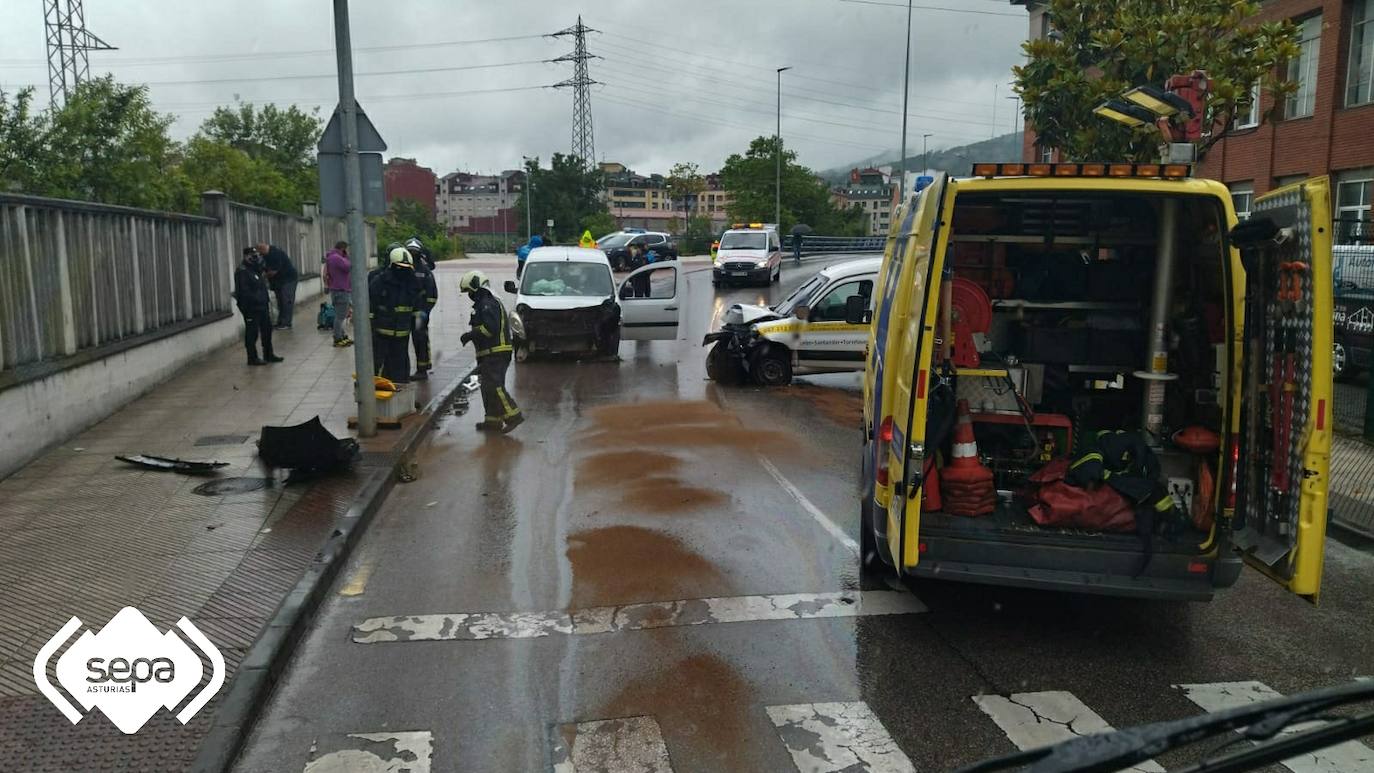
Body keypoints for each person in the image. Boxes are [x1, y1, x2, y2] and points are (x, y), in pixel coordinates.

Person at [458, 270, 523, 433]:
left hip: (496, 352)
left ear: (477, 288)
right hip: (490, 353)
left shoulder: (487, 303)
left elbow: (490, 329)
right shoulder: (487, 302)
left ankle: (513, 415)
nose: (469, 295)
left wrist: (470, 334)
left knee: (494, 386)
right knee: (487, 387)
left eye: (470, 292)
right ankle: (492, 421)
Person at [369, 247, 425, 383]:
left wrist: (419, 329)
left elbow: (418, 307)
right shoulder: (379, 282)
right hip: (381, 336)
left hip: (402, 335)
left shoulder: (413, 282)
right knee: (379, 367)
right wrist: (370, 329)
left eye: (406, 267)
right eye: (399, 267)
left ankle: (402, 398)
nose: (403, 271)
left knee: (401, 368)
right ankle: (378, 397)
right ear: (392, 265)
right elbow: (370, 306)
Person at [233, 247, 283, 366]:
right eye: (253, 256)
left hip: (262, 305)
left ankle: (268, 354)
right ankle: (252, 357)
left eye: (256, 256)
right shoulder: (242, 271)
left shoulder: (255, 269)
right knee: (252, 333)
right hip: (251, 308)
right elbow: (244, 292)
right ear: (246, 256)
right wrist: (250, 304)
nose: (255, 258)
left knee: (267, 330)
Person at [406, 238, 439, 379]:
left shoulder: (425, 271)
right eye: (410, 252)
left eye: (415, 252)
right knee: (401, 342)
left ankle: (422, 369)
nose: (412, 255)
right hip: (403, 313)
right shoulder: (402, 269)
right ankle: (401, 371)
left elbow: (432, 294)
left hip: (419, 313)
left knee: (420, 339)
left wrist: (425, 311)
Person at [256, 241, 299, 329]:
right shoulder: (265, 255)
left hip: (288, 280)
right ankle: (281, 322)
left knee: (286, 300)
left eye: (260, 252)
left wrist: (262, 277)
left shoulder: (275, 254)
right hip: (279, 282)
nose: (260, 255)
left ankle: (286, 323)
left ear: (263, 249)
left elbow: (273, 271)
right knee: (280, 301)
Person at [323, 241, 353, 347]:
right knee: (340, 317)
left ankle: (342, 335)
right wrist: (347, 257)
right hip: (341, 290)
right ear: (343, 248)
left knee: (340, 315)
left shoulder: (331, 257)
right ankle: (337, 338)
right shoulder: (336, 258)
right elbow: (348, 266)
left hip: (337, 289)